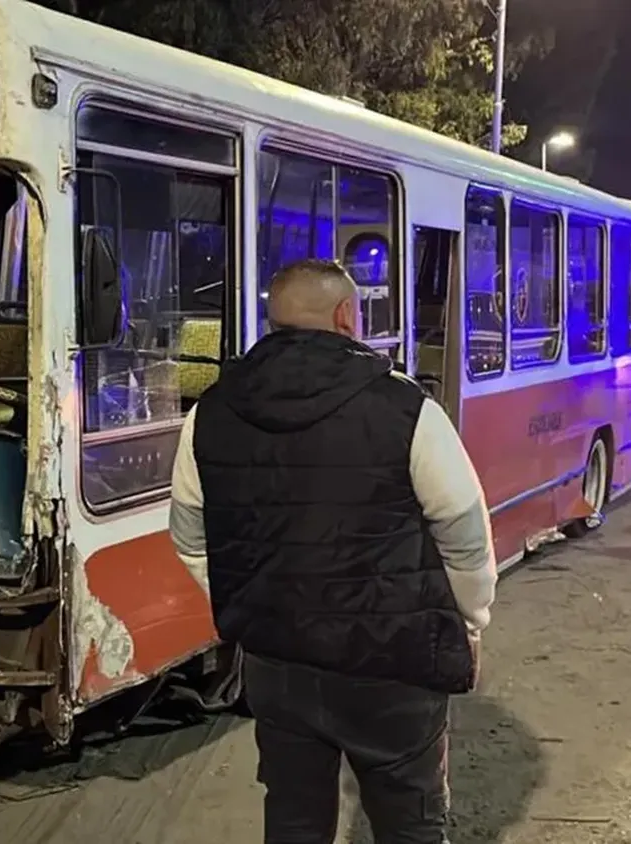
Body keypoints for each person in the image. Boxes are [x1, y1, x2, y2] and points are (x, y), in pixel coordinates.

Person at [170, 260, 497, 844]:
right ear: (348, 315)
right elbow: (464, 532)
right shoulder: (407, 409)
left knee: (294, 817)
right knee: (409, 822)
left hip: (277, 668)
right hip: (392, 666)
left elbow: (192, 542)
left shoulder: (209, 412)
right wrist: (470, 621)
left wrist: (257, 612)